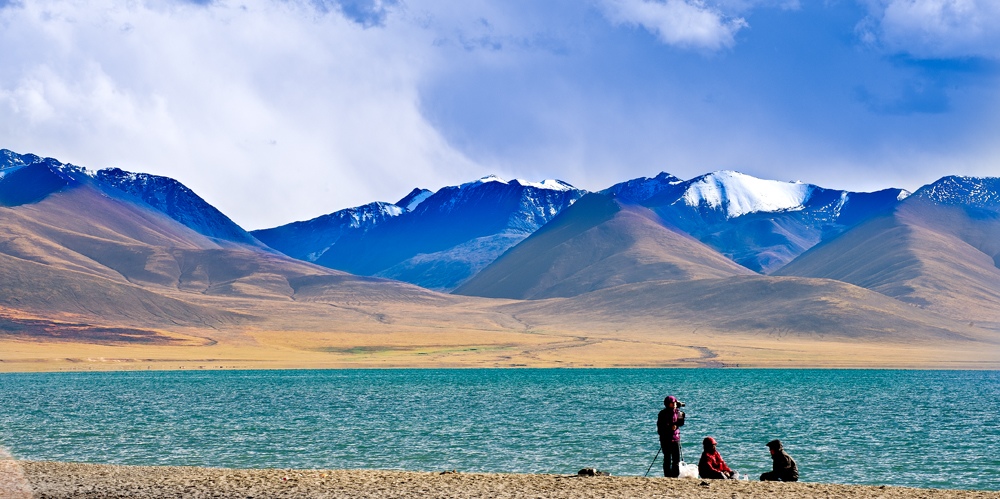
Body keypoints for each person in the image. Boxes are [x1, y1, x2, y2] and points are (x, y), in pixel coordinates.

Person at [656, 395, 685, 477]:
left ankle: (675, 475)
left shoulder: (678, 413)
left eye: (675, 402)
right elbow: (660, 427)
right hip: (666, 439)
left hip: (675, 438)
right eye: (672, 403)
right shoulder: (662, 414)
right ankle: (667, 475)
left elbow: (681, 423)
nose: (674, 404)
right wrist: (669, 428)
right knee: (667, 458)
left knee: (676, 459)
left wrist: (676, 425)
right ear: (667, 404)